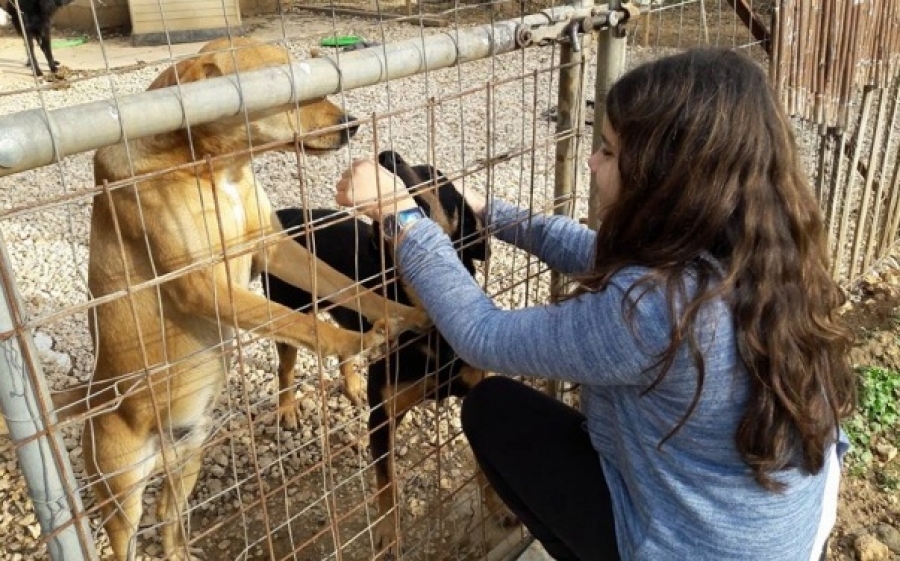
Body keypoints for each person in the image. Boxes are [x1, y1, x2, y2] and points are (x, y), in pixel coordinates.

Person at [334, 47, 855, 561]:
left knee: (493, 410)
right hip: (782, 534)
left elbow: (481, 336)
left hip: (696, 549)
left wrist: (398, 216)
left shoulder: (655, 313)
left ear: (663, 179)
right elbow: (596, 256)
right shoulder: (765, 257)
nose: (591, 161)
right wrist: (491, 212)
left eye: (607, 151)